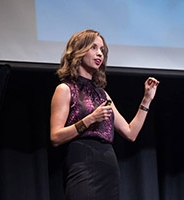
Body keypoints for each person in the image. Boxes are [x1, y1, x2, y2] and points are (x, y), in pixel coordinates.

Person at [50, 29, 159, 200]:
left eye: (102, 49)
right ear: (79, 50)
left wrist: (146, 100)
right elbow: (55, 137)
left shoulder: (102, 95)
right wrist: (90, 119)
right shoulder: (65, 90)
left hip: (108, 167)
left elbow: (131, 133)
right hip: (82, 164)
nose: (99, 53)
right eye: (93, 47)